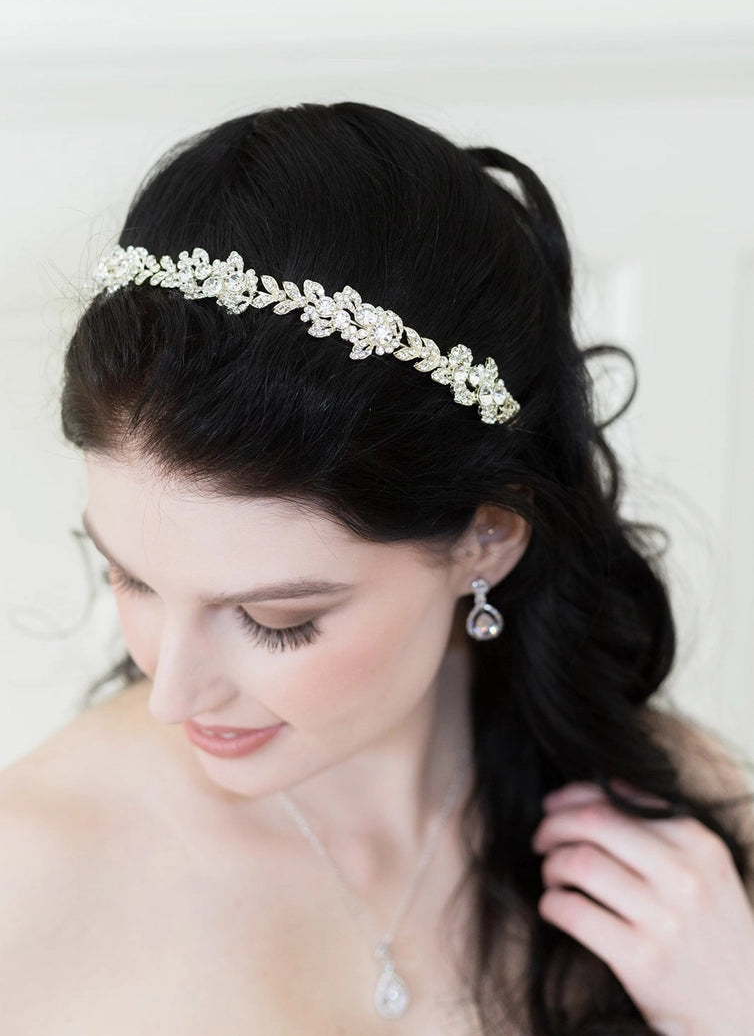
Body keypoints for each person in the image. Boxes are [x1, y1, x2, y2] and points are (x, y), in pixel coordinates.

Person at [1, 101, 753, 1036]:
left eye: (277, 620)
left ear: (487, 541)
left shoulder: (676, 839)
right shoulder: (30, 882)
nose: (174, 692)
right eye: (134, 580)